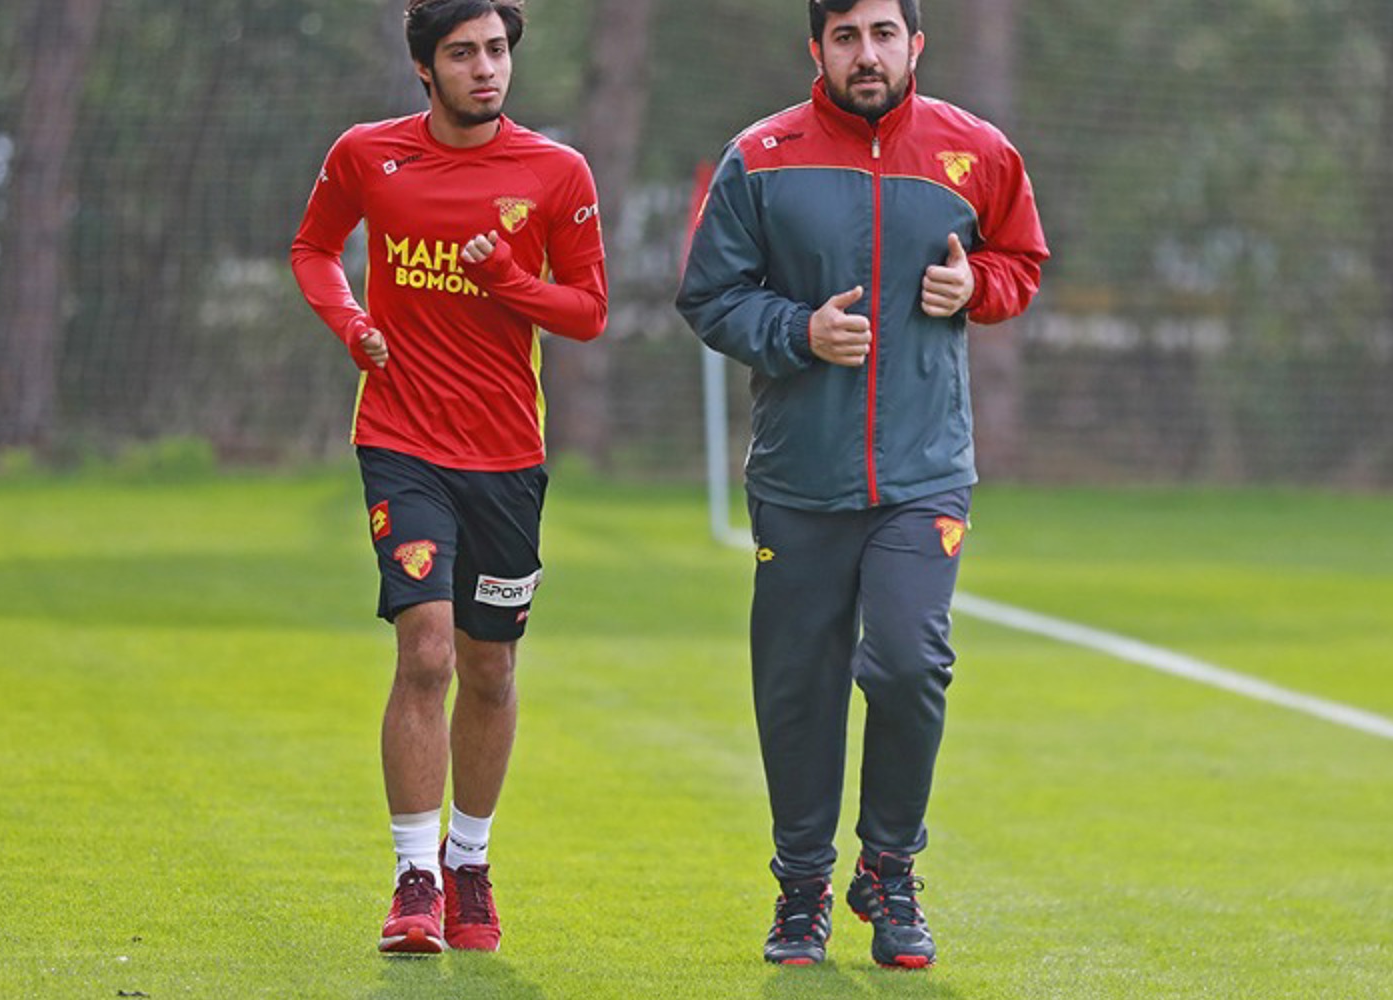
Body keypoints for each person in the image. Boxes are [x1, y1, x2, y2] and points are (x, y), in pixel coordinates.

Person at [676, 0, 1047, 970]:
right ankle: (802, 889)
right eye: (846, 37)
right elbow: (709, 295)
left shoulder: (977, 152)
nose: (866, 54)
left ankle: (889, 870)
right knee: (798, 685)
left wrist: (976, 288)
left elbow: (1019, 261)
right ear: (817, 48)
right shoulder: (760, 157)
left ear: (915, 43)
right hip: (798, 476)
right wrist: (798, 332)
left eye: (883, 33)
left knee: (910, 662)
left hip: (924, 474)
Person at [290, 0, 606, 955]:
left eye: (497, 50)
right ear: (425, 68)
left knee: (489, 667)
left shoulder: (556, 171)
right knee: (425, 652)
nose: (485, 68)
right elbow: (314, 249)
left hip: (507, 455)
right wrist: (351, 324)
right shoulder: (366, 155)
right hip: (401, 439)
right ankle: (414, 880)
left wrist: (508, 279)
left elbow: (587, 311)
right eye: (463, 53)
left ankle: (470, 864)